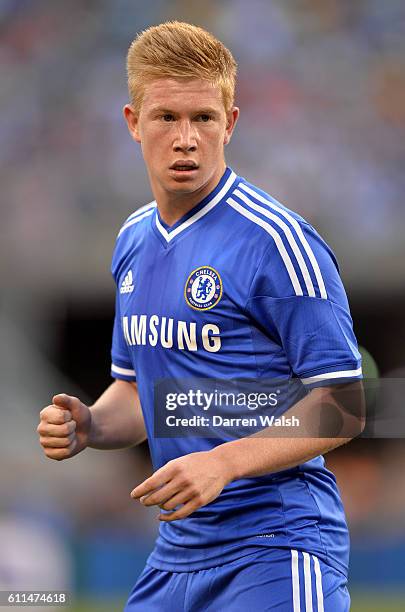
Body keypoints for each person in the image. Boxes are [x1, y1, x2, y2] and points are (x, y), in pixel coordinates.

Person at [37, 21, 365, 611]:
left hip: (277, 546)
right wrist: (88, 425)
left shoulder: (279, 242)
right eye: (166, 117)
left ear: (230, 124)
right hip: (176, 553)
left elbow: (343, 406)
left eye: (204, 119)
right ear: (134, 123)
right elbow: (139, 396)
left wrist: (224, 462)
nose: (186, 138)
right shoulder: (133, 240)